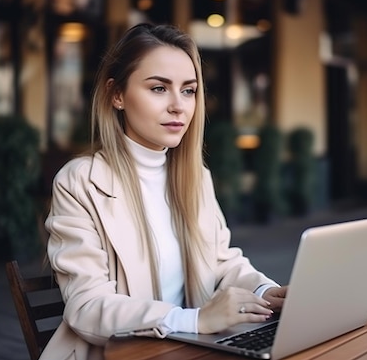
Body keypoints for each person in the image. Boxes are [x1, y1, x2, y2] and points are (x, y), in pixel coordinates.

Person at [41, 23, 287, 360]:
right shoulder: (80, 181)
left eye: (189, 90)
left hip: (191, 350)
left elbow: (221, 261)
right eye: (159, 88)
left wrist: (265, 291)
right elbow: (87, 305)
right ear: (117, 95)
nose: (179, 106)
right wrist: (195, 320)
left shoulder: (194, 176)